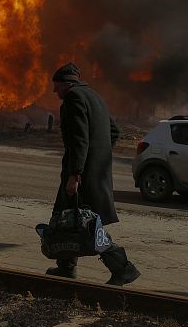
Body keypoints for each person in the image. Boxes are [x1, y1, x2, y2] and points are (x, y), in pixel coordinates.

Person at [46, 62, 141, 286]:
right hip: (96, 172)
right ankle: (66, 266)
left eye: (56, 86)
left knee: (85, 223)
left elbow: (80, 140)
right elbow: (114, 131)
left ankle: (123, 268)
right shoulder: (94, 96)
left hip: (82, 175)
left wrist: (75, 175)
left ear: (67, 84)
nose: (54, 91)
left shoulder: (73, 98)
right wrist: (101, 154)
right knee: (68, 219)